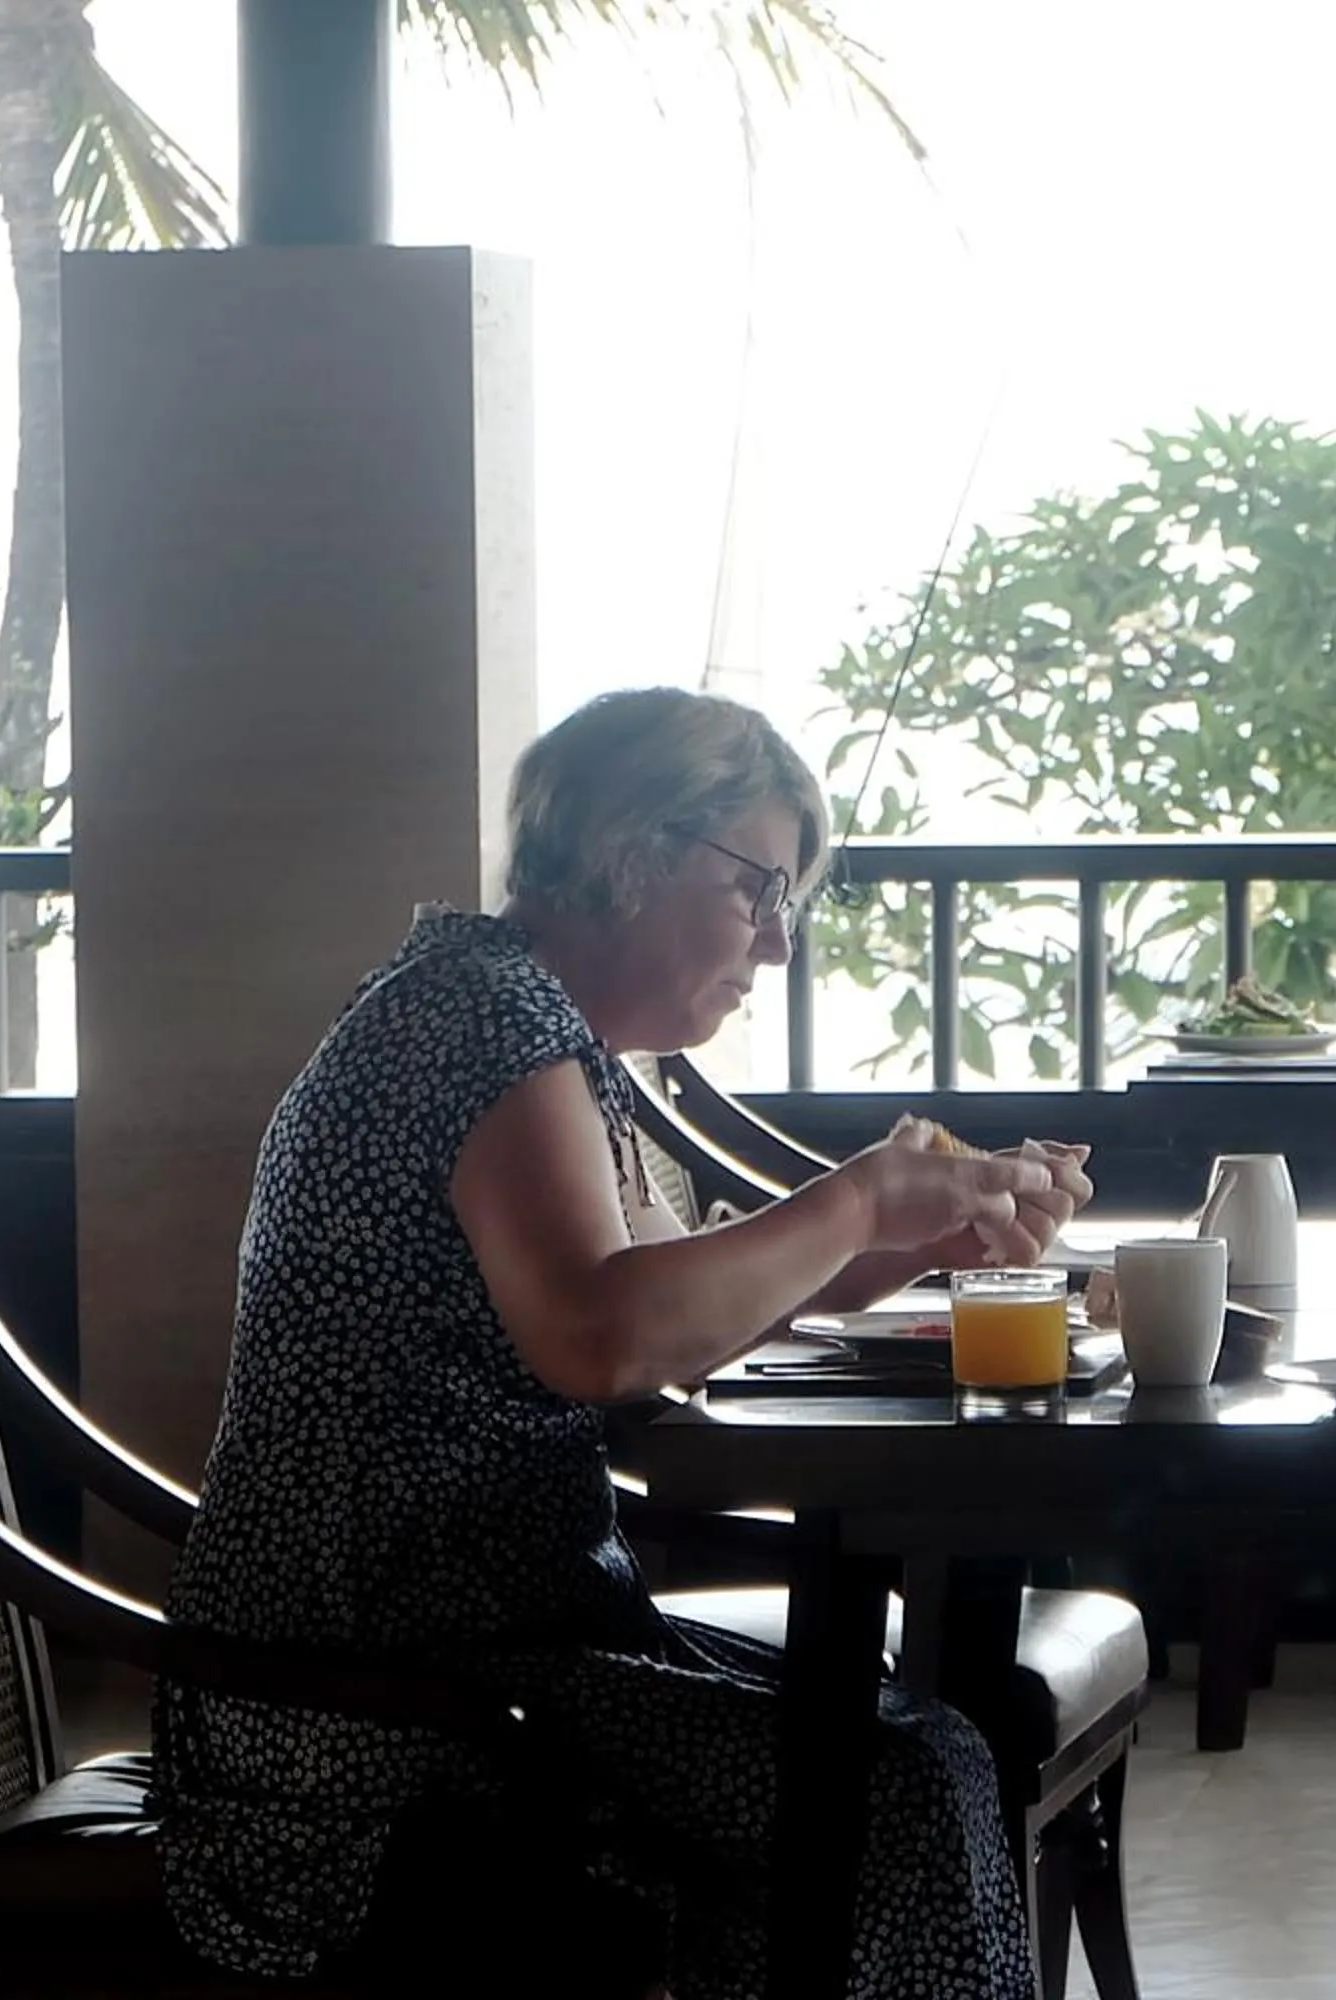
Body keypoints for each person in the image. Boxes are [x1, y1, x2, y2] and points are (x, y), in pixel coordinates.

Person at [154, 688, 1092, 1998]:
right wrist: (860, 1199)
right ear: (630, 849)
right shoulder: (478, 1017)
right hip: (367, 1714)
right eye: (761, 888)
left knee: (917, 1759)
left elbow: (666, 1320)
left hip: (488, 1650)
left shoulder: (523, 1021)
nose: (776, 945)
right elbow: (600, 1339)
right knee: (898, 1784)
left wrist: (907, 1245)